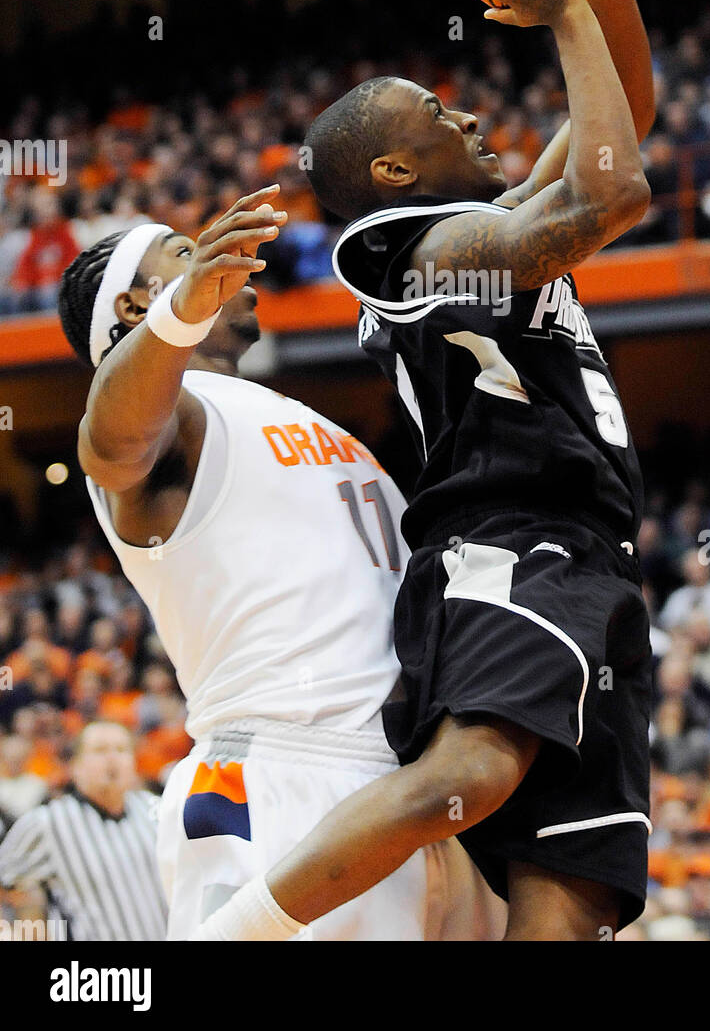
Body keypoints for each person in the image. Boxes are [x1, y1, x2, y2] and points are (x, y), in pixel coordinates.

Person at [196, 0, 656, 942]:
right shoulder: (424, 252)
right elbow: (614, 191)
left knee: (566, 910)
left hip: (591, 563)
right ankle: (235, 935)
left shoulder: (482, 228)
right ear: (393, 174)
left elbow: (624, 110)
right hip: (508, 543)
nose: (471, 119)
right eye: (438, 116)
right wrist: (566, 11)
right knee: (472, 770)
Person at [57, 190, 499, 940]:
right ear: (136, 306)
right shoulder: (160, 424)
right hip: (285, 770)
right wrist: (185, 308)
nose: (232, 267)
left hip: (417, 784)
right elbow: (112, 443)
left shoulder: (284, 411)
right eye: (185, 255)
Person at [0, 721, 166, 940]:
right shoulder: (46, 823)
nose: (112, 758)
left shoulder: (156, 808)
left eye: (121, 750)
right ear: (75, 766)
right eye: (99, 750)